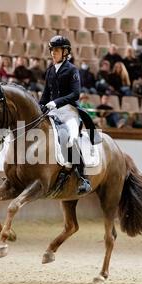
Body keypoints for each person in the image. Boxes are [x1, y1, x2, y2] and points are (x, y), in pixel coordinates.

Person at [39, 36, 92, 195]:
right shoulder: (50, 70)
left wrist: (56, 102)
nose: (53, 53)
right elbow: (45, 95)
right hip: (53, 111)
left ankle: (83, 178)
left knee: (70, 138)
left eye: (56, 50)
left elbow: (75, 94)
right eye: (52, 50)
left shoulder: (72, 70)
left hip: (69, 112)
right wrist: (39, 106)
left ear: (65, 52)